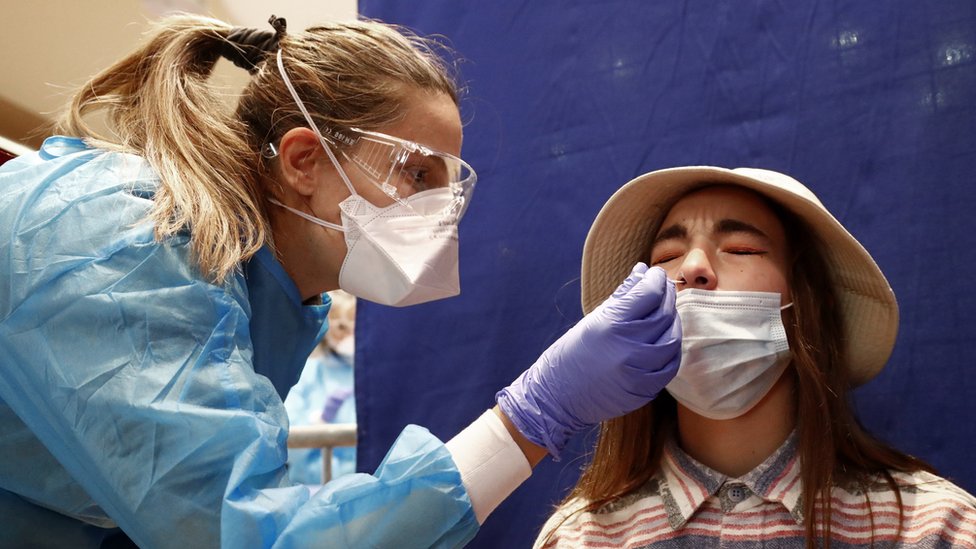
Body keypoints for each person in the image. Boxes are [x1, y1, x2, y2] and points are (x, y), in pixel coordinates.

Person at [0, 13, 683, 549]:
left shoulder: (263, 300)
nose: (440, 213)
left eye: (450, 188)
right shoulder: (120, 247)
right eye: (419, 173)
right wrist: (532, 416)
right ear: (303, 158)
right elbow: (250, 535)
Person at [536, 167, 976, 548]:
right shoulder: (579, 538)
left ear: (802, 302)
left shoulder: (935, 528)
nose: (691, 266)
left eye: (742, 249)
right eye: (666, 257)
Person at [284, 290, 358, 483]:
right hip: (310, 486)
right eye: (341, 327)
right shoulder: (307, 371)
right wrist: (320, 422)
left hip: (361, 484)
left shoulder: (372, 374)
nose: (351, 335)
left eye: (356, 326)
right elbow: (286, 443)